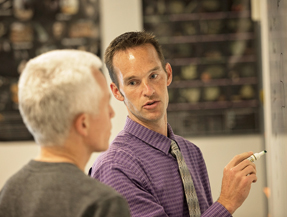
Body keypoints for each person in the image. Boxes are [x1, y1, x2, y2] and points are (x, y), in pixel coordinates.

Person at [90, 32, 257, 217]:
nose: (148, 90)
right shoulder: (116, 167)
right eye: (133, 82)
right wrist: (226, 203)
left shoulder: (191, 152)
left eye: (153, 76)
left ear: (168, 74)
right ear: (117, 91)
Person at [0, 50, 130, 217]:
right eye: (106, 104)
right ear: (83, 123)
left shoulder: (9, 192)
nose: (112, 113)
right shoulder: (103, 203)